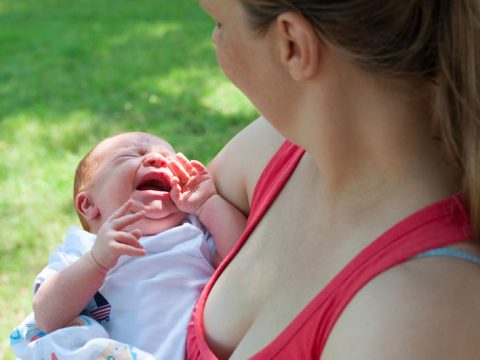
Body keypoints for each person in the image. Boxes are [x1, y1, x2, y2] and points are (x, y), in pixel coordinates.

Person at [187, 0, 480, 359]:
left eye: (219, 24)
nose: (216, 42)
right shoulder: (275, 150)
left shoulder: (413, 317)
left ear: (291, 43)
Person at [10, 131, 246, 359]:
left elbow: (246, 261)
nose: (157, 159)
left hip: (198, 349)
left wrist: (207, 203)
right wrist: (96, 261)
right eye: (131, 155)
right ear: (89, 205)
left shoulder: (193, 229)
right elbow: (47, 317)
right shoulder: (83, 248)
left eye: (169, 158)